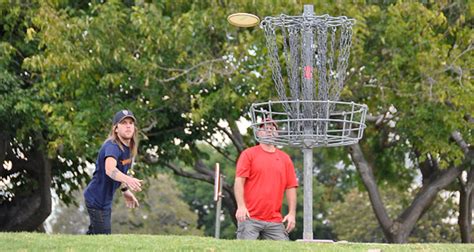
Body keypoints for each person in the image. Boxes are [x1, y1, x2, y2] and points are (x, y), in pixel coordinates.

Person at [234, 118, 298, 240]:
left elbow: (291, 187)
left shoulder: (285, 159)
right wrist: (241, 206)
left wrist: (291, 214)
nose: (269, 131)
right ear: (258, 133)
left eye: (272, 128)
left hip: (274, 220)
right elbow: (239, 181)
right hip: (249, 217)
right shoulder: (248, 154)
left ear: (277, 133)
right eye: (265, 128)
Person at [83, 109, 143, 234]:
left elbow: (121, 171)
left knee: (94, 237)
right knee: (103, 238)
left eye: (131, 123)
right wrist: (129, 180)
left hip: (105, 199)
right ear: (116, 128)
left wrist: (125, 190)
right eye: (124, 123)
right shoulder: (112, 146)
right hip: (96, 199)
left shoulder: (129, 148)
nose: (128, 126)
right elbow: (110, 170)